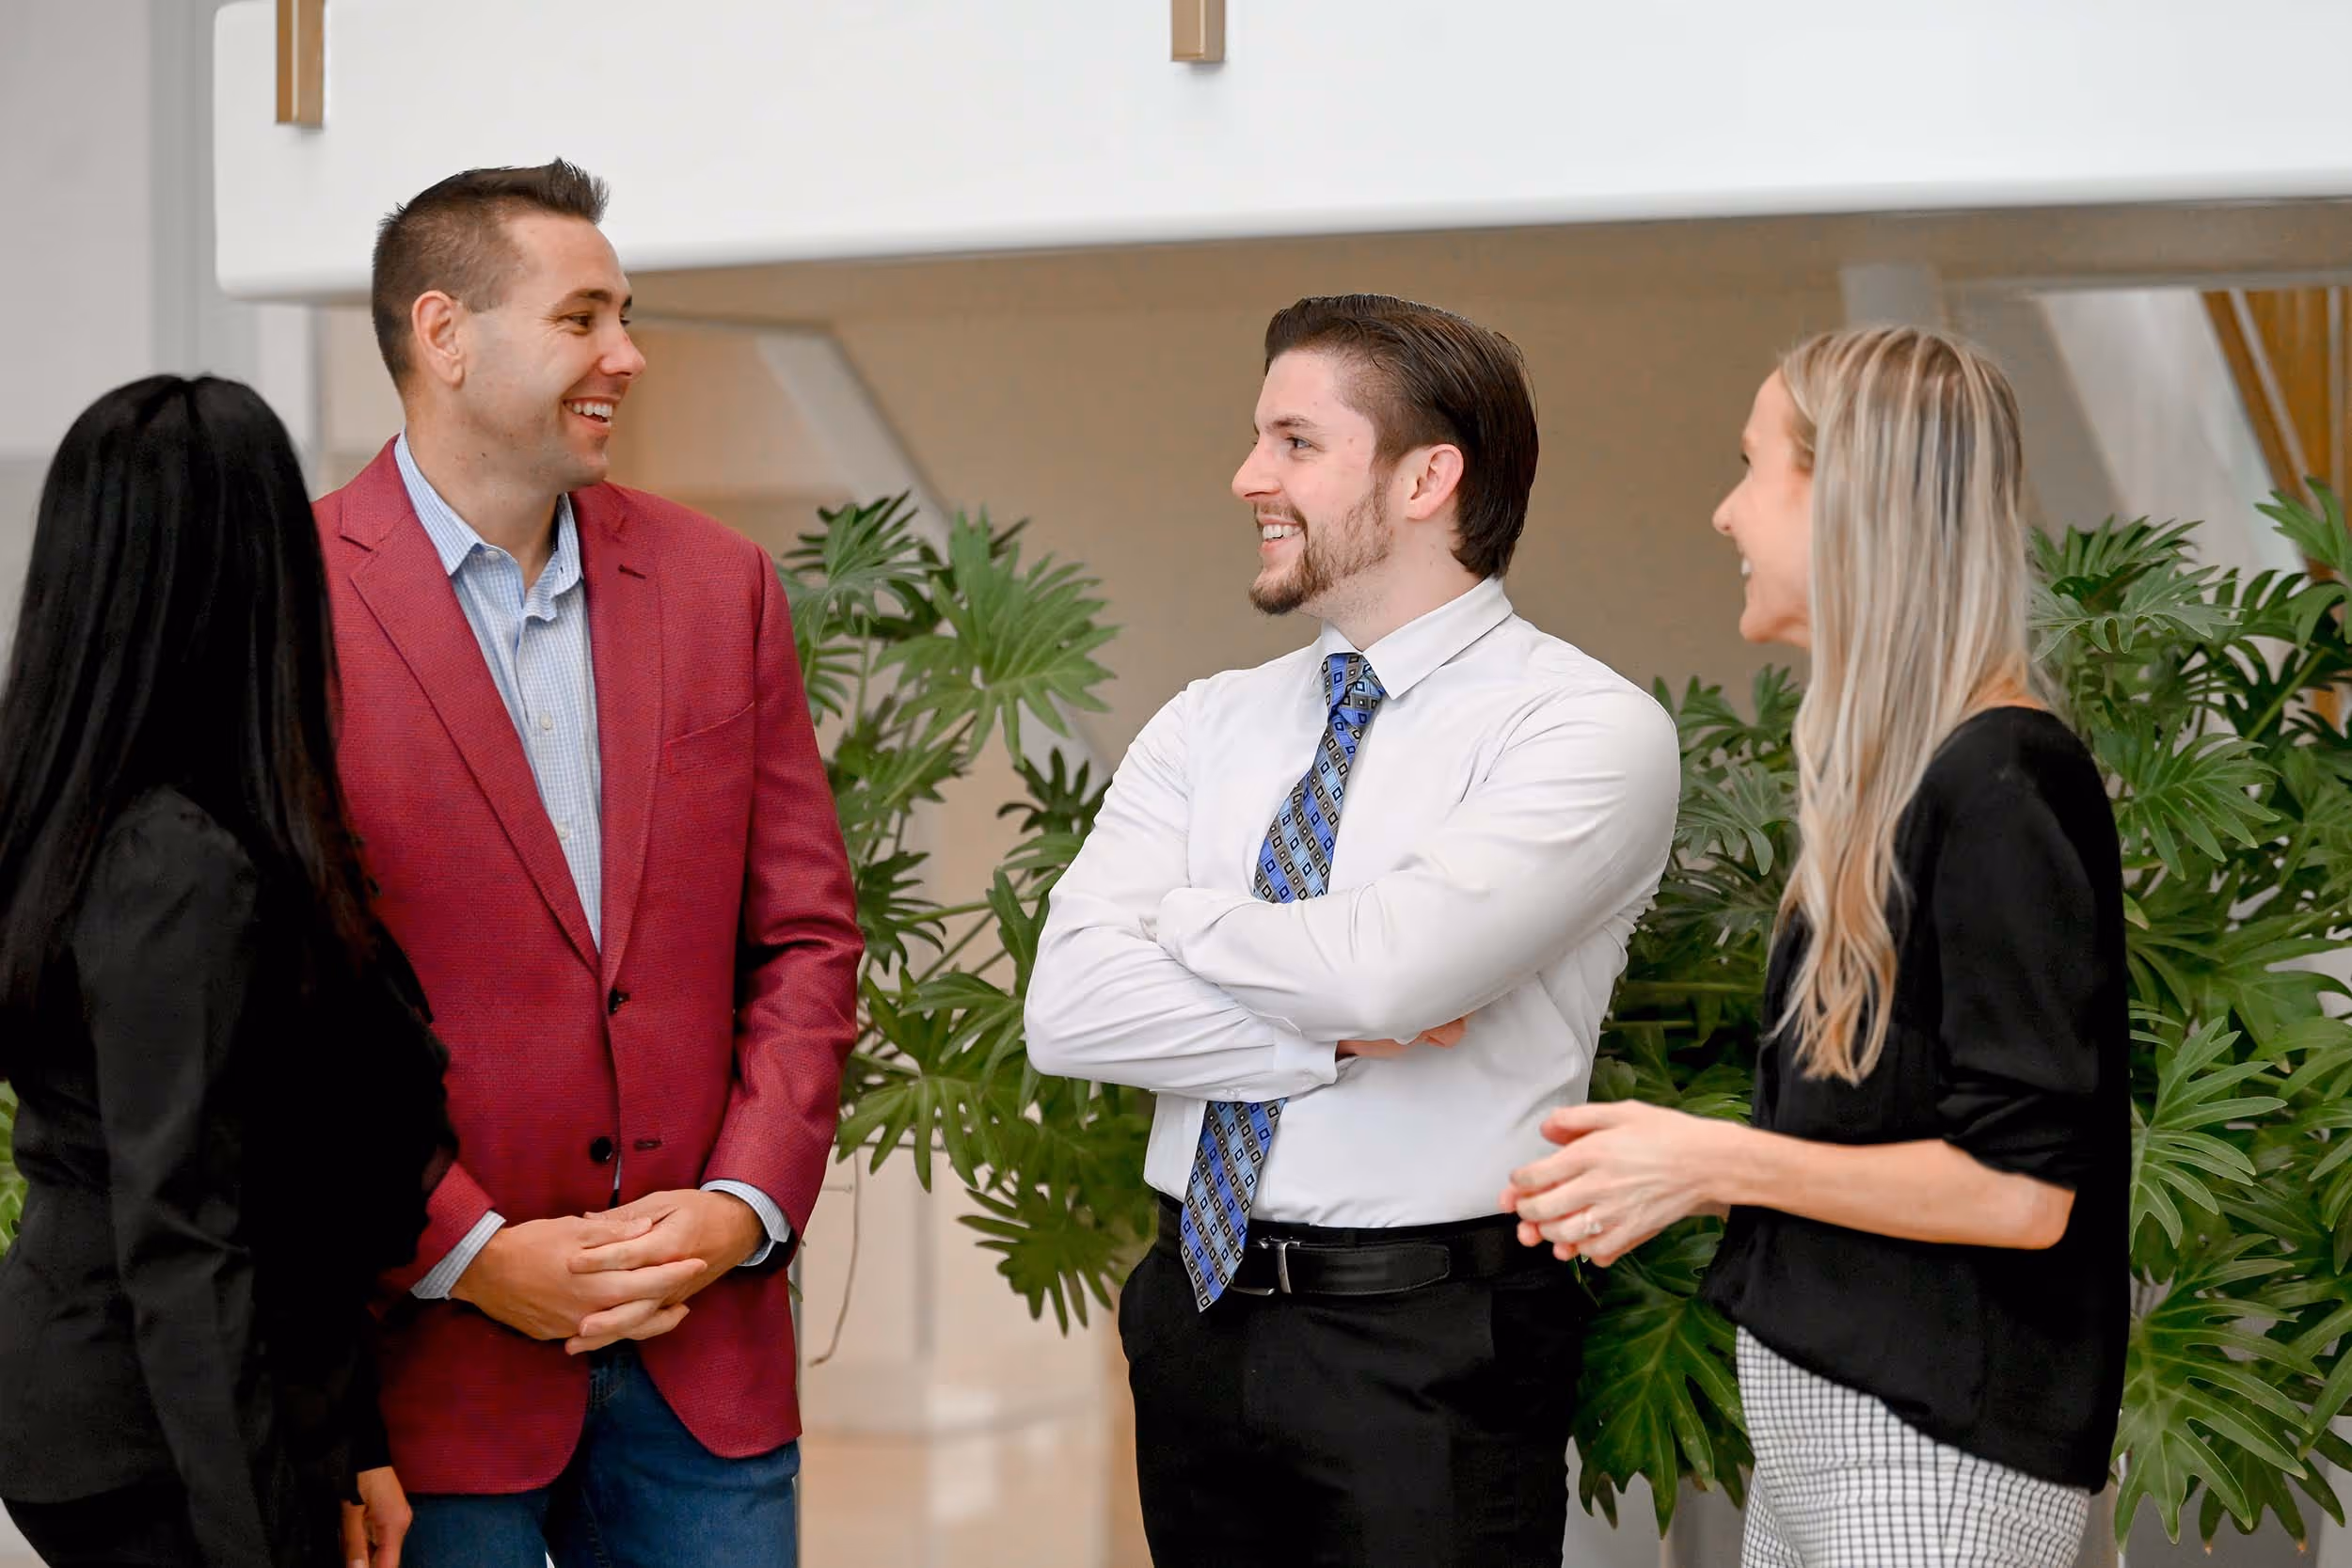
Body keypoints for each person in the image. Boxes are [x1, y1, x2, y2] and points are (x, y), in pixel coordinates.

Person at [1025, 293, 1681, 1567]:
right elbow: (1072, 1006)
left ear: (1430, 475)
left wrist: (1188, 915)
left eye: (1294, 442)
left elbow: (1392, 973)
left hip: (1429, 1342)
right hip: (1195, 1315)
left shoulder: (1582, 728)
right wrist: (1323, 1042)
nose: (1246, 477)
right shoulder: (1211, 718)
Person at [1505, 325, 2126, 1568]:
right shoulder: (1907, 784)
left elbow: (2021, 1191)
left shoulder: (2004, 781)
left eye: (1752, 466)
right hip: (1830, 1427)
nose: (1725, 511)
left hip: (1929, 1444)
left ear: (1850, 498)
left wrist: (1713, 1158)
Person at [317, 160, 862, 1567]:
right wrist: (469, 1250)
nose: (626, 354)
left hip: (706, 1364)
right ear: (445, 334)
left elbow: (806, 936)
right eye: (583, 318)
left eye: (626, 314)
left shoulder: (720, 582)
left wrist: (741, 1206)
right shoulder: (289, 597)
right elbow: (276, 994)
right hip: (431, 1370)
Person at [0, 375, 453, 1567]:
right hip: (161, 1435)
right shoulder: (175, 863)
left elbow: (284, 1175)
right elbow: (185, 1231)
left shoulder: (106, 820)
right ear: (258, 574)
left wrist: (350, 1432)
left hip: (151, 1401)